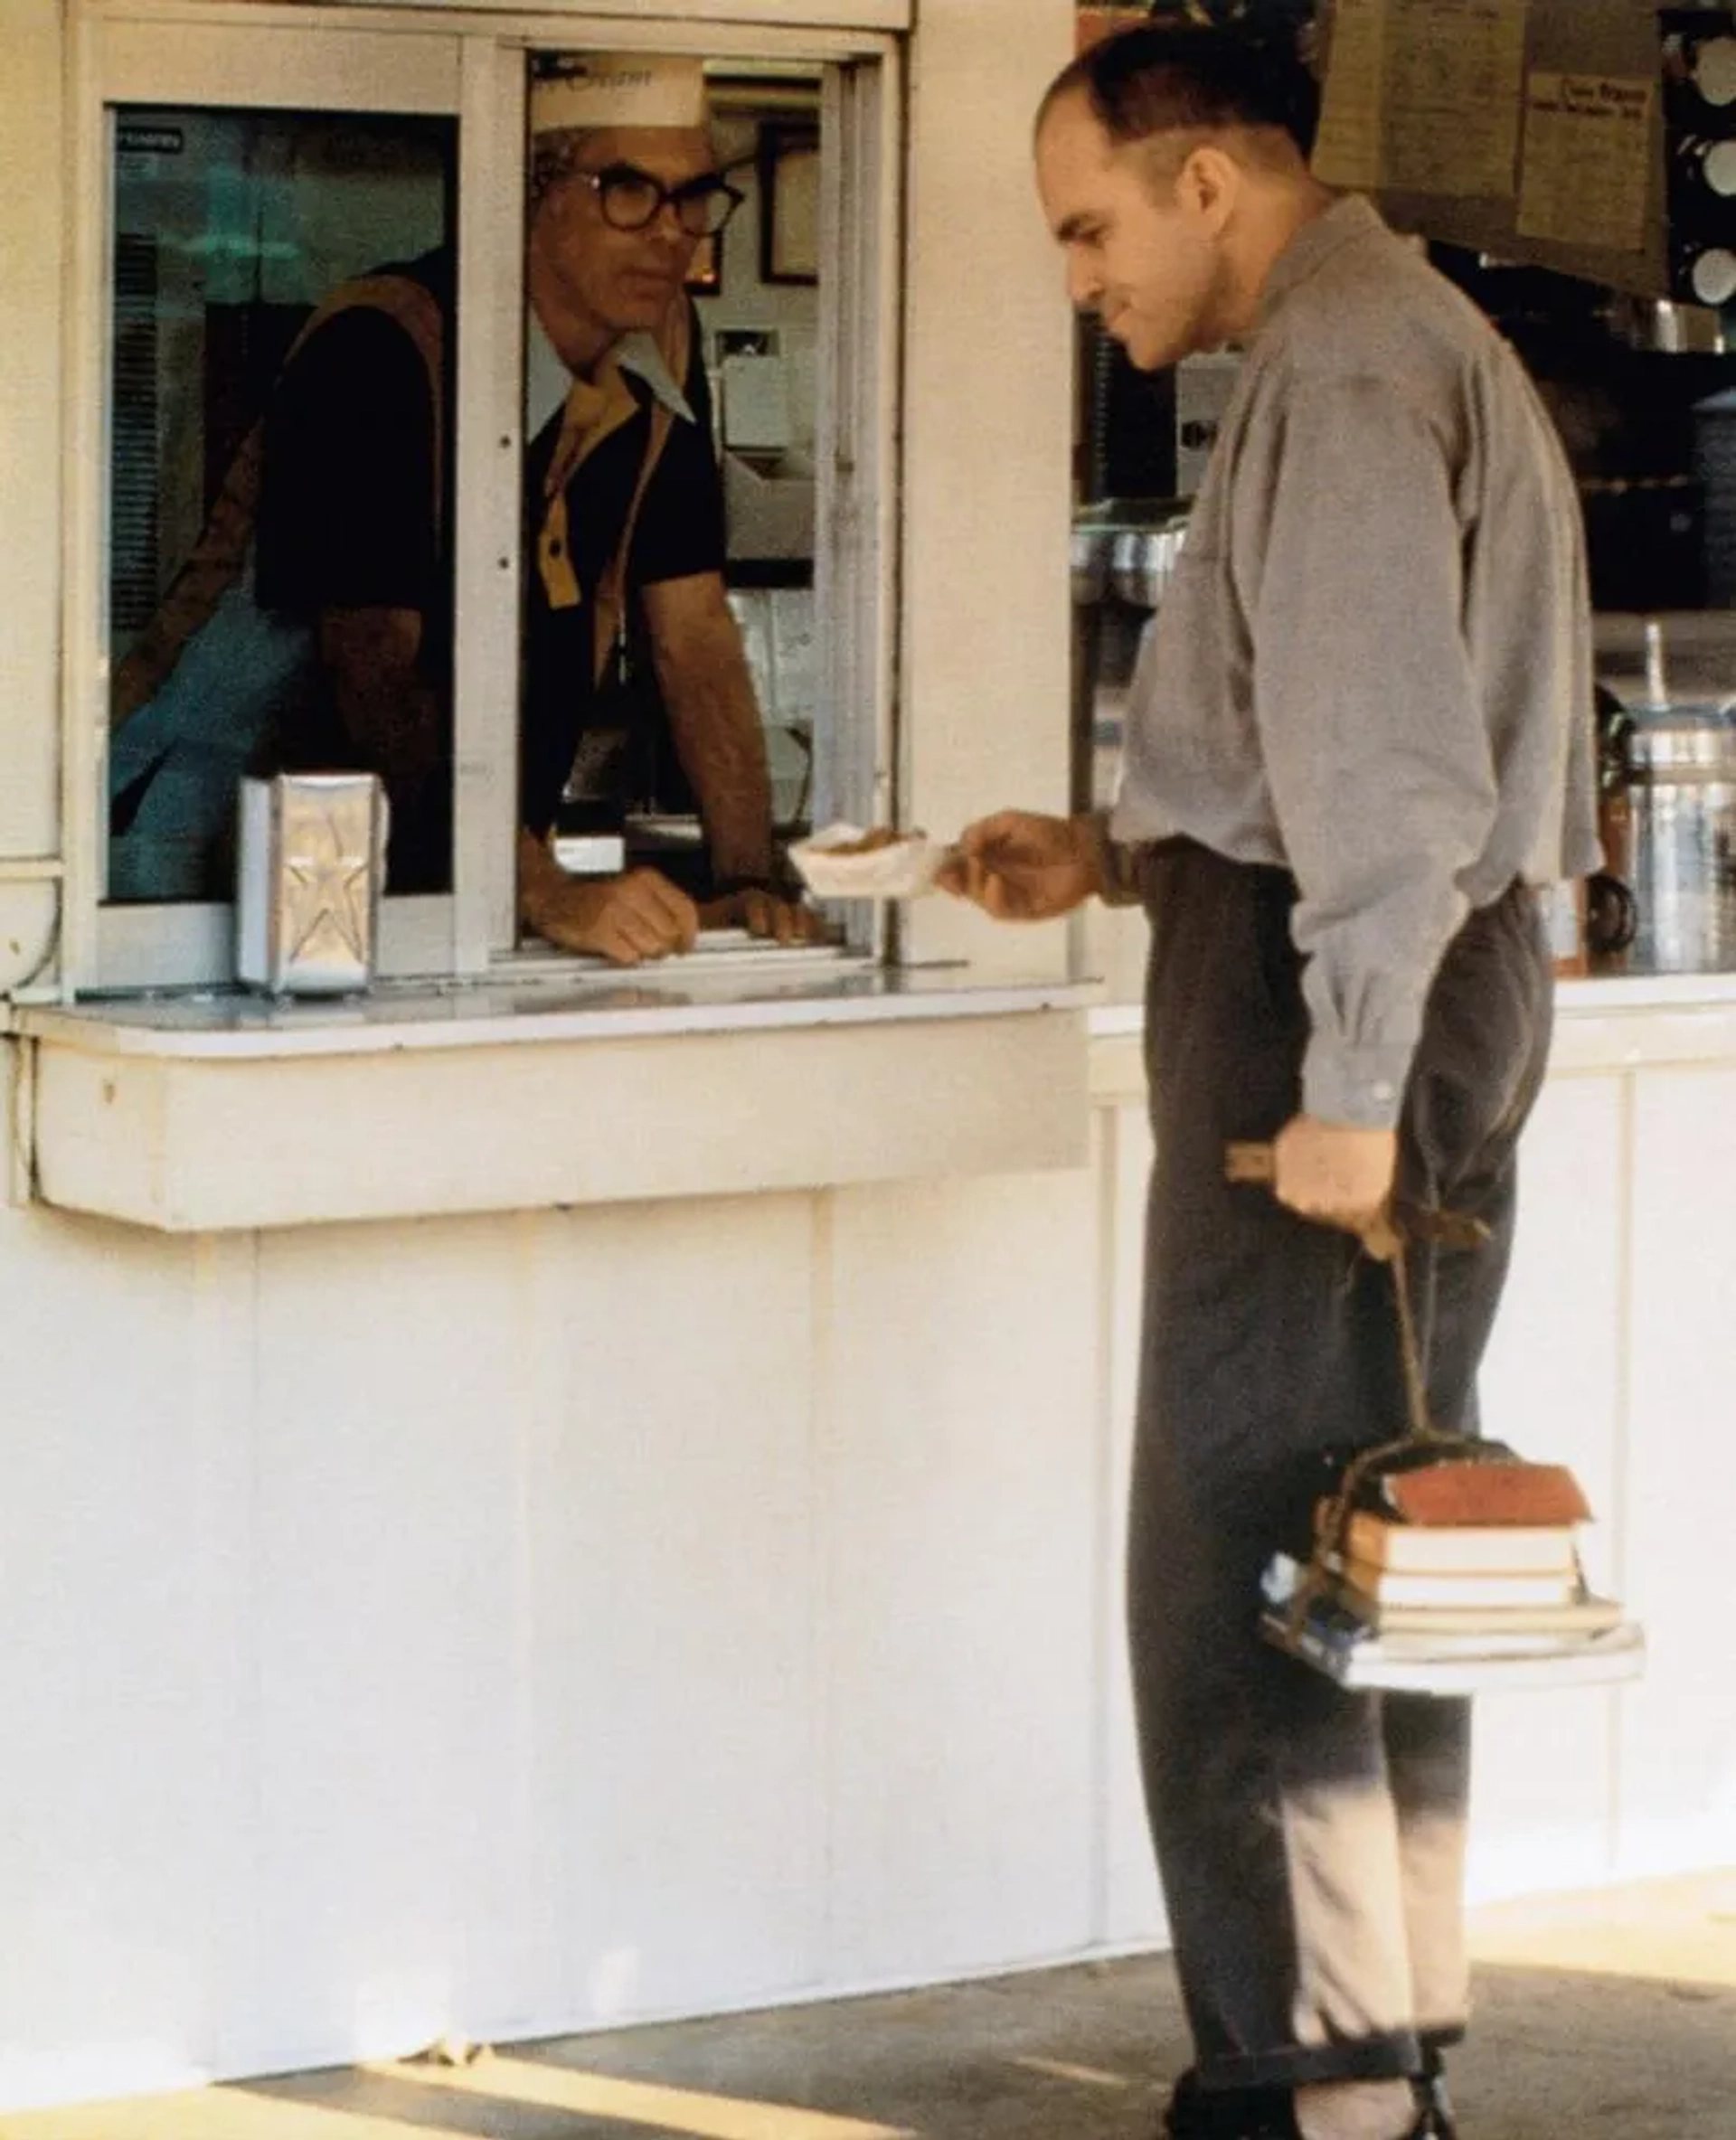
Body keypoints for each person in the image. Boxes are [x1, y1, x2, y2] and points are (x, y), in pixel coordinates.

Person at [939, 24, 1597, 2140]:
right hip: (1389, 977)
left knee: (1243, 1539)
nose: (1078, 280)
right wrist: (1122, 853)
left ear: (1205, 179)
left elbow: (1389, 782)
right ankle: (1372, 2061)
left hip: (1341, 1010)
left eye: (1087, 226)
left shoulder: (1334, 368)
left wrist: (1345, 1081)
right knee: (1379, 1535)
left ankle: (1305, 2089)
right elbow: (1330, 747)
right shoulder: (1386, 342)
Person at [111, 52, 814, 963]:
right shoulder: (381, 346)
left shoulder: (662, 354)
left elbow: (696, 638)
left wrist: (747, 883)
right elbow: (375, 671)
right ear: (530, 189)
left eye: (694, 198)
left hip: (449, 866)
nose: (672, 233)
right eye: (630, 190)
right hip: (194, 859)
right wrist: (541, 888)